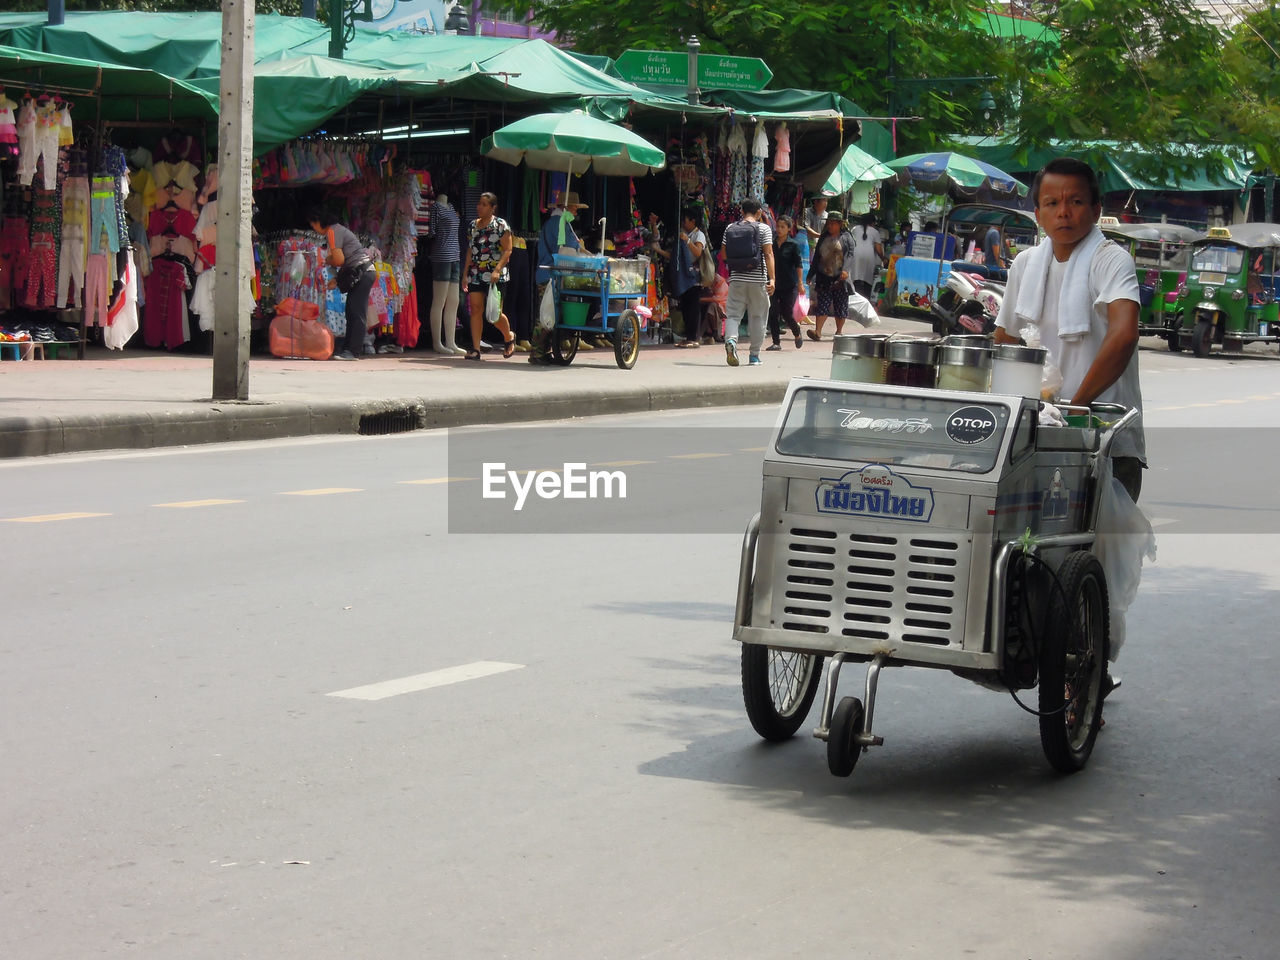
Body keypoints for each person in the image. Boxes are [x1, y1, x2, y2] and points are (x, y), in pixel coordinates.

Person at [995, 158, 1143, 503]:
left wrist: (1076, 408)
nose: (1064, 212)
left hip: (1106, 441)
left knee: (1100, 552)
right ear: (1038, 213)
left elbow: (1124, 335)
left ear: (1095, 210)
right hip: (1039, 438)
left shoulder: (1111, 259)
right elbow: (1005, 341)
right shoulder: (1025, 264)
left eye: (1075, 202)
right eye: (1052, 203)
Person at [308, 206, 375, 361]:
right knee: (351, 310)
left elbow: (339, 260)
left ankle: (353, 351)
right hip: (360, 272)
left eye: (313, 224)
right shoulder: (337, 230)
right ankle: (348, 349)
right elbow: (346, 260)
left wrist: (327, 259)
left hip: (362, 272)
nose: (313, 228)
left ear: (319, 221)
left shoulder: (332, 232)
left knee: (356, 312)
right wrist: (337, 280)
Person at [529, 190, 588, 364]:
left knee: (551, 315)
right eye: (574, 208)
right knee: (546, 315)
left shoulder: (560, 223)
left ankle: (544, 351)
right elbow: (567, 250)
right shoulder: (558, 223)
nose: (576, 212)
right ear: (566, 207)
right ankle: (537, 352)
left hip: (551, 275)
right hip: (550, 275)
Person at [461, 191, 516, 361]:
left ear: (493, 208)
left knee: (494, 314)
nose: (480, 207)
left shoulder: (500, 225)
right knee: (476, 309)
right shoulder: (472, 226)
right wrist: (465, 274)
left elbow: (508, 249)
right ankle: (476, 348)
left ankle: (508, 336)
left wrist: (497, 270)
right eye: (479, 204)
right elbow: (470, 250)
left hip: (495, 275)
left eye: (484, 205)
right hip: (476, 273)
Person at [723, 198, 775, 366]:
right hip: (758, 280)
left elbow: (724, 255)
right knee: (758, 317)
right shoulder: (764, 228)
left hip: (737, 278)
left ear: (742, 211)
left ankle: (731, 341)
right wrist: (772, 279)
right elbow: (768, 254)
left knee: (732, 315)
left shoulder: (730, 228)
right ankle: (754, 356)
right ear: (759, 212)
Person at [806, 210, 855, 341]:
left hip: (840, 278)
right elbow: (817, 257)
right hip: (824, 276)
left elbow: (850, 255)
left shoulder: (847, 237)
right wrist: (811, 274)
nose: (830, 226)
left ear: (840, 224)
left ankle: (839, 332)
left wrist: (845, 270)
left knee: (841, 306)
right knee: (823, 304)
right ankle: (818, 332)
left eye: (833, 223)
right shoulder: (823, 237)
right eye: (829, 223)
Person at [426, 194, 465, 356]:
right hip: (442, 255)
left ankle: (451, 341)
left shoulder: (451, 207)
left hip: (455, 255)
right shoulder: (435, 207)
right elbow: (431, 232)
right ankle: (437, 342)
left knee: (454, 300)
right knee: (439, 300)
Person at [766, 216, 804, 350]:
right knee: (773, 312)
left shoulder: (793, 245)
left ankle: (797, 332)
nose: (780, 229)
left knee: (787, 313)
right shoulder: (771, 244)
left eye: (783, 227)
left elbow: (798, 265)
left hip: (789, 285)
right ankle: (776, 342)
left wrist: (800, 283)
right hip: (774, 284)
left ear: (789, 229)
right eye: (778, 226)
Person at [851, 213, 884, 298]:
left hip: (855, 255)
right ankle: (866, 298)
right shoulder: (875, 232)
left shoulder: (855, 229)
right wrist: (883, 258)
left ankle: (854, 297)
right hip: (869, 257)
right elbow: (878, 249)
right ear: (873, 223)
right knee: (867, 279)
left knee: (855, 277)